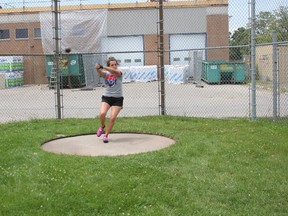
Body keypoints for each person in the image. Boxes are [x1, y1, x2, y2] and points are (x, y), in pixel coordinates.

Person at [95, 57, 123, 143]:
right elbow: (100, 73)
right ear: (109, 65)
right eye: (112, 65)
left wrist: (102, 66)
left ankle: (106, 135)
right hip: (107, 97)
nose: (114, 66)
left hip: (117, 99)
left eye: (115, 64)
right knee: (102, 113)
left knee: (112, 118)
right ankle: (102, 126)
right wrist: (97, 68)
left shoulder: (119, 72)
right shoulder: (106, 74)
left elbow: (114, 72)